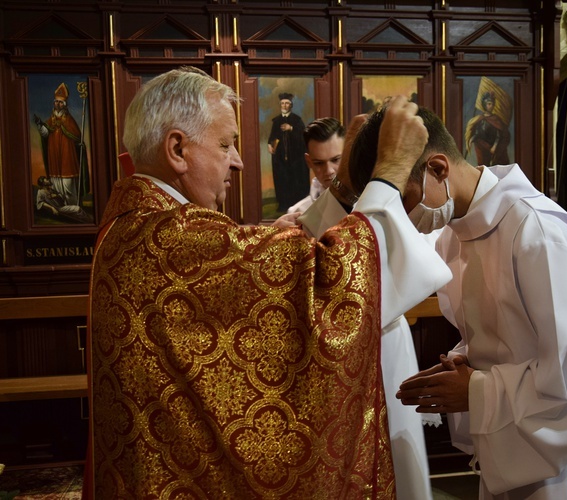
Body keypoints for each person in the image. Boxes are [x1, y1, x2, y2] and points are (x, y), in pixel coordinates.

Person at [84, 70, 451, 498]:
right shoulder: (167, 238)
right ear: (178, 149)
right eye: (225, 144)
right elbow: (334, 276)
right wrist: (388, 171)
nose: (238, 160)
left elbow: (295, 262)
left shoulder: (139, 225)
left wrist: (349, 188)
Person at [346, 104, 567, 499]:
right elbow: (504, 340)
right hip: (507, 449)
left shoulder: (537, 231)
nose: (402, 214)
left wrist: (477, 391)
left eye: (404, 196)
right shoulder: (455, 234)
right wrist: (463, 363)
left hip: (564, 465)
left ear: (438, 169)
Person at [296, 113, 439, 499]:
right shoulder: (304, 215)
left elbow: (391, 266)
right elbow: (340, 262)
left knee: (397, 457)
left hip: (384, 344)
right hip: (336, 356)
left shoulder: (398, 205)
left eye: (339, 159)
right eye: (322, 162)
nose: (331, 170)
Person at [33, 82, 89, 209]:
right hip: (54, 158)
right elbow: (45, 134)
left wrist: (79, 144)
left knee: (68, 185)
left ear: (64, 104)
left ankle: (73, 207)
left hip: (67, 158)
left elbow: (76, 136)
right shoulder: (51, 120)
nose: (57, 104)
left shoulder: (69, 120)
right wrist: (40, 125)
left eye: (60, 102)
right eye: (56, 102)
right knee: (55, 185)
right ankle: (60, 207)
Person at [287, 117, 345, 214]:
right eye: (319, 163)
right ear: (309, 162)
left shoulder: (368, 206)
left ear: (348, 156)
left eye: (335, 160)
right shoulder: (297, 214)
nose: (329, 171)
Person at [266, 92, 309, 212]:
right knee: (282, 180)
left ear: (291, 105)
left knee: (295, 179)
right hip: (280, 158)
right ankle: (283, 205)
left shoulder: (297, 120)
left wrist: (291, 128)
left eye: (287, 103)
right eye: (282, 103)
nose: (284, 106)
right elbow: (272, 137)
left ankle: (297, 205)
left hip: (295, 158)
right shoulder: (276, 121)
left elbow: (304, 136)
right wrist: (270, 144)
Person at [464, 91, 511, 166]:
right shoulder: (480, 119)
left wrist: (494, 147)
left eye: (492, 104)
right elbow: (478, 134)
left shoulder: (496, 119)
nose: (491, 106)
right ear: (484, 105)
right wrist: (471, 139)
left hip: (494, 149)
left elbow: (499, 135)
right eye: (489, 104)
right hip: (484, 149)